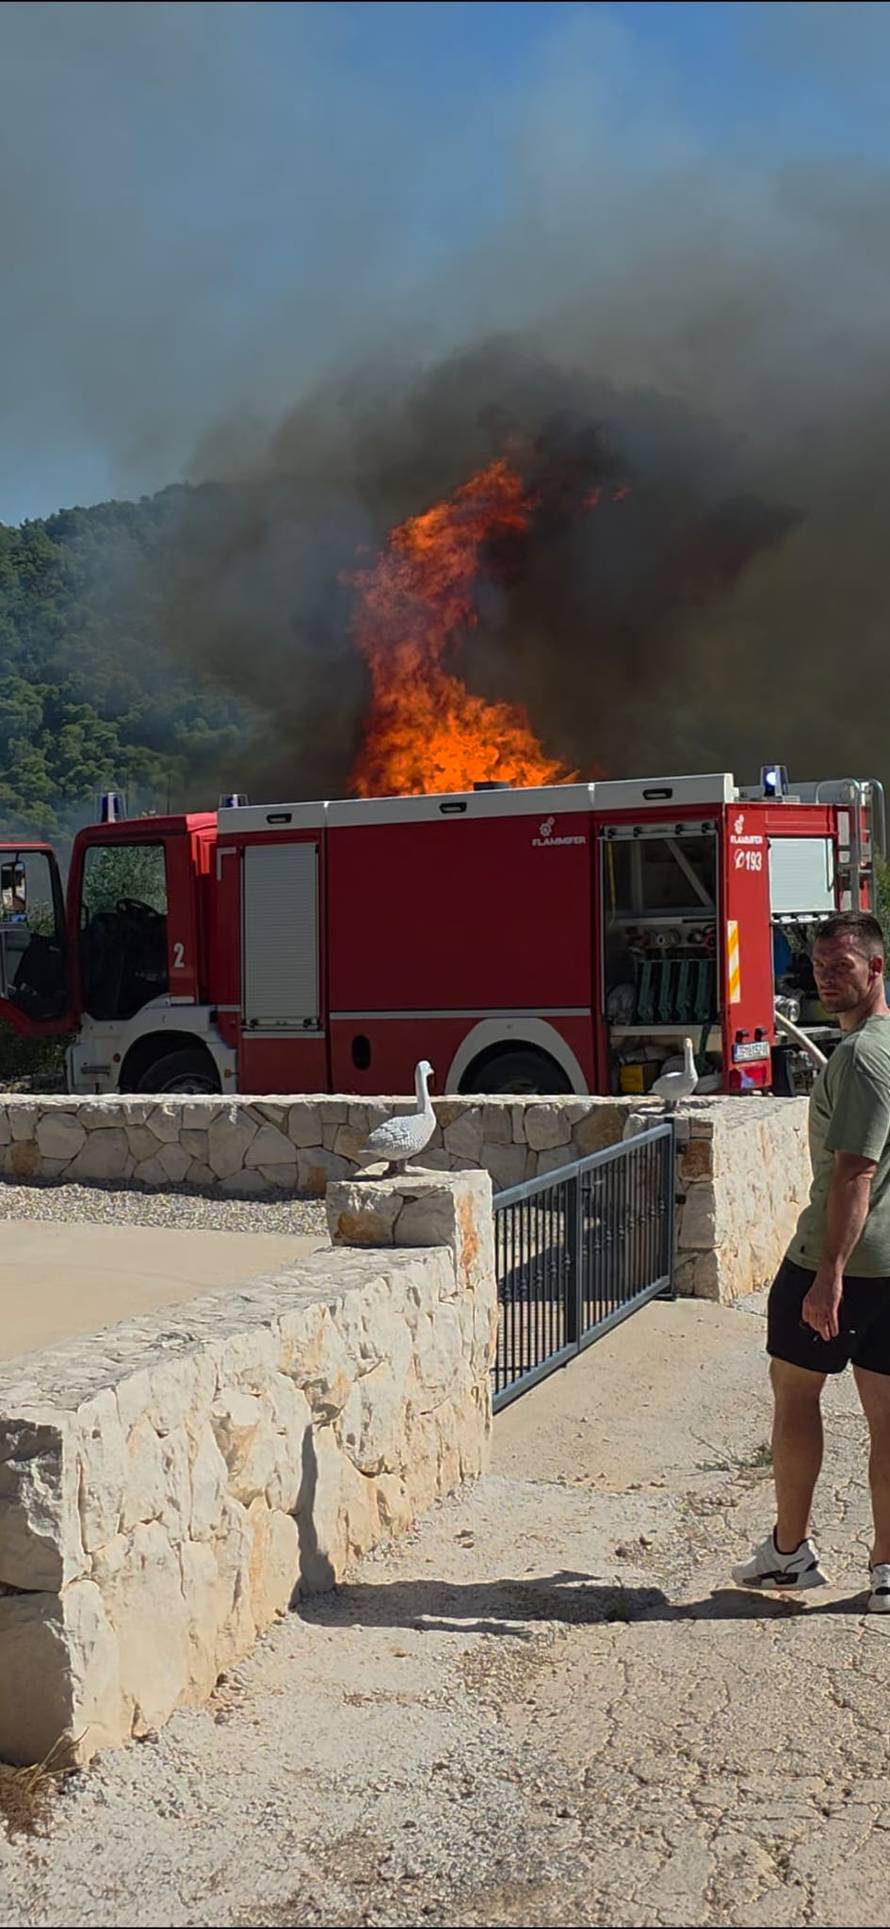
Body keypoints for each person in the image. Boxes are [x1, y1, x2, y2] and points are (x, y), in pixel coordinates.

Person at [733, 910, 890, 1612]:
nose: (828, 977)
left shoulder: (860, 1058)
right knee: (887, 1415)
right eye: (820, 966)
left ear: (876, 968)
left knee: (796, 1392)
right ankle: (887, 1568)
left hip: (841, 1261)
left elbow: (854, 1172)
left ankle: (788, 1555)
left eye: (843, 965)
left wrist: (827, 1275)